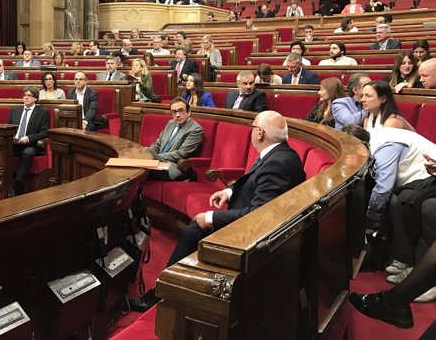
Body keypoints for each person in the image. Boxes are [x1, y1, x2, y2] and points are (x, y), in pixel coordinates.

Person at [130, 111, 305, 311]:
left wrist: (212, 217)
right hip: (250, 219)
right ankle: (166, 287)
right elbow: (255, 181)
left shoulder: (277, 163)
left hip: (252, 236)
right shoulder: (279, 154)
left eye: (253, 128)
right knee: (194, 229)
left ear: (260, 133)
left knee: (195, 229)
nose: (251, 132)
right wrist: (230, 192)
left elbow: (259, 214)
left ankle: (162, 291)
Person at [146, 98, 204, 181]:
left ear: (189, 112)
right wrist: (148, 154)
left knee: (141, 168)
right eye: (174, 112)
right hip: (158, 162)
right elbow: (157, 144)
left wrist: (154, 156)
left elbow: (180, 154)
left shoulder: (195, 129)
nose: (177, 115)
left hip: (174, 167)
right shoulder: (171, 123)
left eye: (181, 111)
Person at [7, 86, 50, 194]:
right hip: (15, 143)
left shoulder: (42, 113)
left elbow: (45, 132)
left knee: (28, 152)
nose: (25, 98)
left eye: (29, 96)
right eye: (24, 95)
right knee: (2, 149)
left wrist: (29, 138)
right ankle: (4, 181)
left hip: (32, 145)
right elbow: (8, 127)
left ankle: (18, 183)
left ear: (35, 98)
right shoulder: (15, 111)